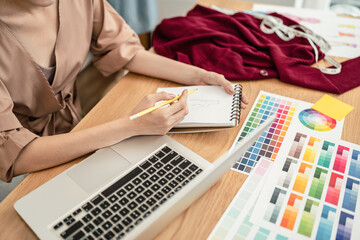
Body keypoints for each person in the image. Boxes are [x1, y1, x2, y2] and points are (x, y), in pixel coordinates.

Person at [0, 0, 248, 184]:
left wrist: (199, 76)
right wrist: (132, 126)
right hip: (26, 168)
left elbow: (126, 50)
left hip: (78, 131)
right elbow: (17, 155)